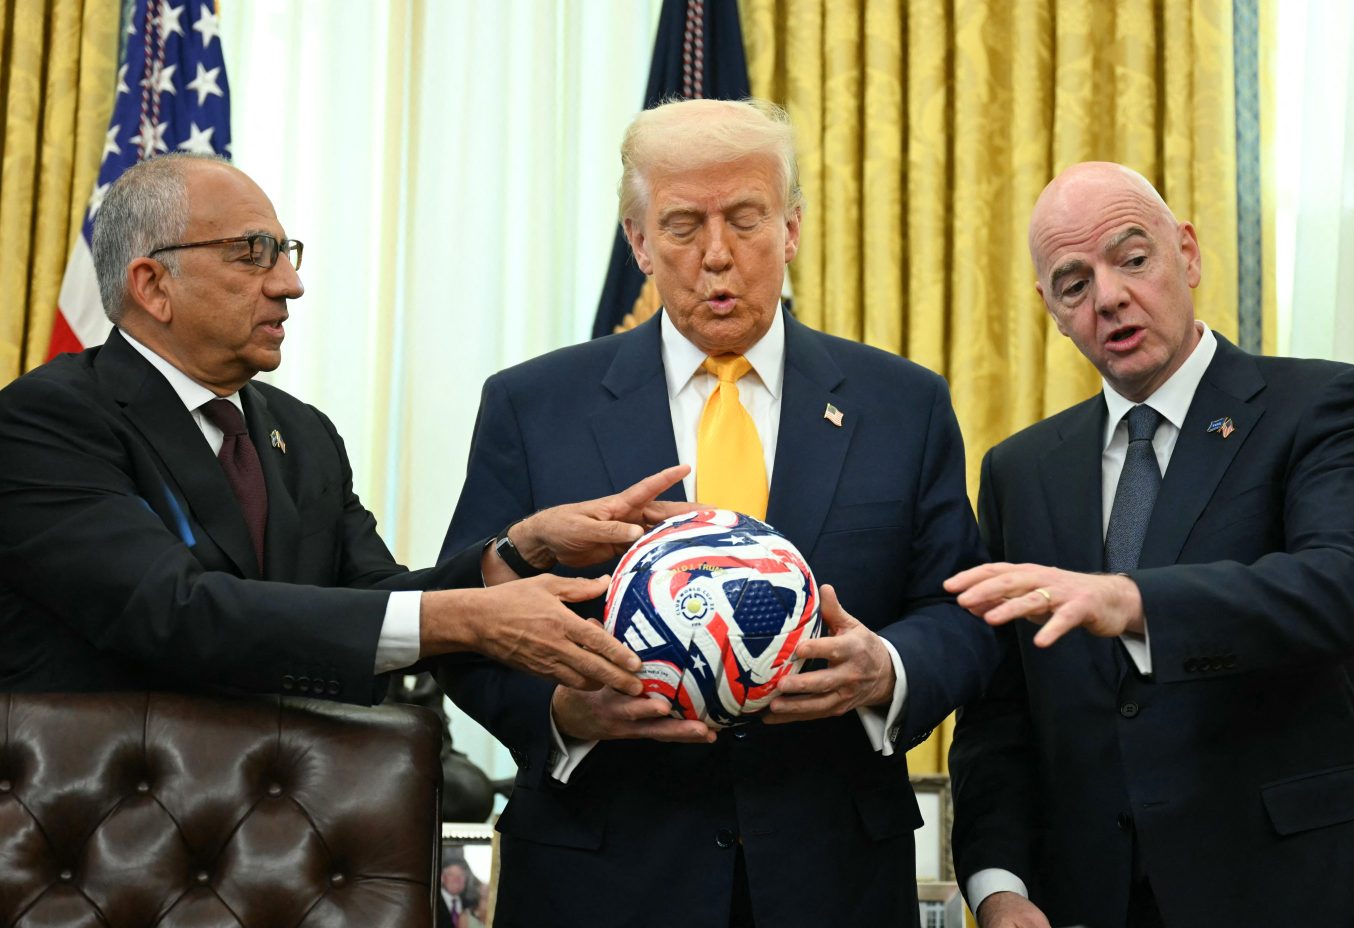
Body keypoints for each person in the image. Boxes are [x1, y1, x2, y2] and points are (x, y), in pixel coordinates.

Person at [438, 98, 997, 927]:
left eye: (745, 220)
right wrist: (561, 713)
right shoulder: (533, 405)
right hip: (600, 873)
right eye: (681, 226)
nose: (716, 257)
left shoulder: (903, 404)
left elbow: (959, 615)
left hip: (830, 873)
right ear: (637, 242)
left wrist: (887, 669)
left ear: (793, 228)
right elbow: (468, 623)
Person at [0, 153, 691, 702]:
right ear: (153, 285)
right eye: (251, 254)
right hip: (101, 839)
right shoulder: (48, 421)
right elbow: (174, 613)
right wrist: (466, 620)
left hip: (282, 837)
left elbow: (373, 604)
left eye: (284, 251)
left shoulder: (301, 435)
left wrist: (515, 553)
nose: (288, 285)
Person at [945, 162, 1354, 928]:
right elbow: (1001, 714)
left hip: (1300, 891)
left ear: (1189, 254)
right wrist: (998, 885)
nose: (1108, 296)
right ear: (1052, 311)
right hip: (1097, 900)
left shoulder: (1316, 403)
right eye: (1074, 284)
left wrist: (1132, 600)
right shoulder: (1019, 470)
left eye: (1132, 258)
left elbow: (1348, 587)